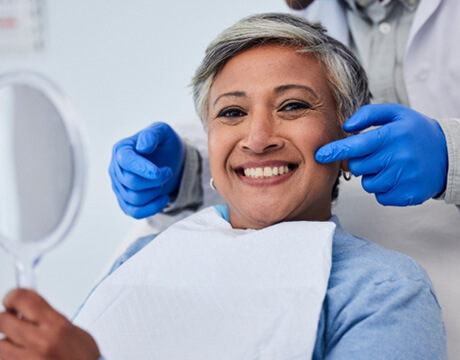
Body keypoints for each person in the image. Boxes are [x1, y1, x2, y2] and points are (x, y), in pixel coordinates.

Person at [0, 13, 446, 360]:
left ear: (347, 141)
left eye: (292, 106)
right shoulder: (144, 259)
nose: (256, 139)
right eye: (231, 113)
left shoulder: (382, 291)